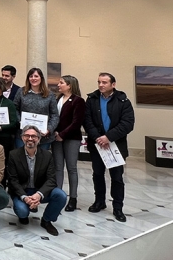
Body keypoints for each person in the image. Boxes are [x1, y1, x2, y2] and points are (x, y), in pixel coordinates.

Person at [84, 72, 135, 222]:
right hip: (97, 145)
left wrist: (109, 137)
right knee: (97, 174)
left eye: (104, 82)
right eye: (99, 82)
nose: (100, 85)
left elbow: (128, 123)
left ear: (113, 84)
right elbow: (87, 121)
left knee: (117, 178)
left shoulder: (123, 100)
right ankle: (99, 201)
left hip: (116, 145)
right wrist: (98, 138)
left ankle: (118, 207)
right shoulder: (92, 99)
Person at [7, 125, 67, 236]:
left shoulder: (47, 156)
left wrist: (39, 195)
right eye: (27, 136)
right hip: (22, 192)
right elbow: (12, 180)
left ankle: (46, 220)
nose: (30, 139)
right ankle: (23, 216)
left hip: (39, 190)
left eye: (34, 136)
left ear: (39, 139)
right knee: (22, 211)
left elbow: (51, 180)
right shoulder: (13, 155)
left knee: (61, 195)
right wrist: (25, 198)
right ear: (22, 138)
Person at [52, 75, 86, 212]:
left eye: (61, 83)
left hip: (71, 138)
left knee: (71, 168)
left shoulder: (78, 101)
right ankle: (58, 195)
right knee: (58, 167)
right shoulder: (58, 99)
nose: (58, 85)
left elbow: (77, 122)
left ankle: (73, 198)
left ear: (70, 85)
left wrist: (62, 134)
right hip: (56, 138)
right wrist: (55, 133)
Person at [13, 67, 59, 150]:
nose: (33, 78)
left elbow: (55, 115)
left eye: (36, 76)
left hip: (43, 136)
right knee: (22, 160)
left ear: (41, 78)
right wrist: (20, 121)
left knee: (41, 161)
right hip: (23, 134)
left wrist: (48, 129)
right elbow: (14, 108)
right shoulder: (21, 91)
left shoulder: (50, 94)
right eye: (31, 76)